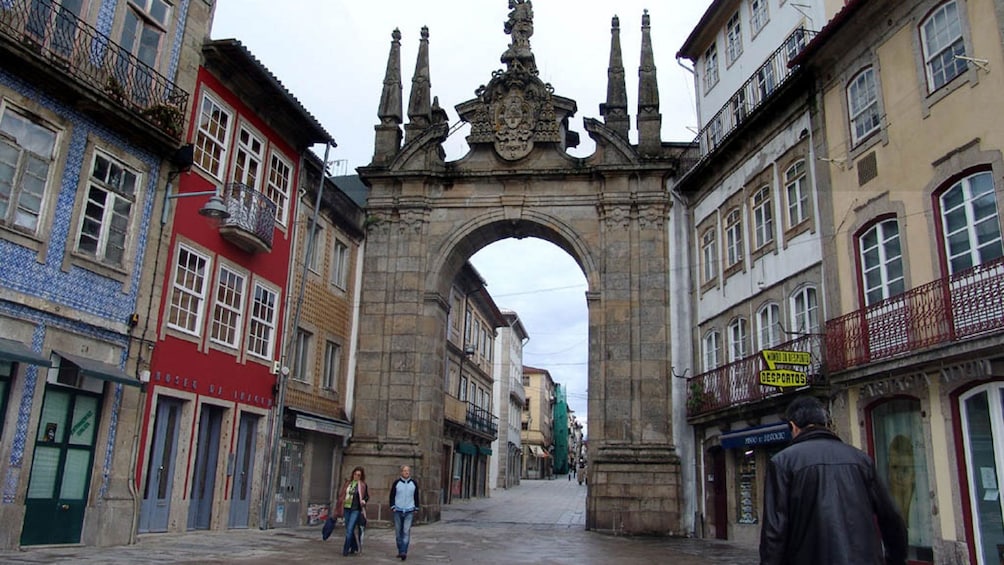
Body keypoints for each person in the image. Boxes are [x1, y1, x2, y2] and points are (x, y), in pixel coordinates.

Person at [759, 396, 908, 565]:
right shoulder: (861, 460)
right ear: (826, 424)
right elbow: (891, 517)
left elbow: (774, 532)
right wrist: (896, 559)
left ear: (793, 426)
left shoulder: (782, 463)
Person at [335, 466, 369, 556]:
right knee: (348, 528)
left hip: (355, 509)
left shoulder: (362, 485)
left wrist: (364, 501)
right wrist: (341, 502)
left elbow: (366, 496)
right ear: (353, 474)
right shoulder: (348, 483)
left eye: (359, 475)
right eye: (355, 474)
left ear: (361, 476)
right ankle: (354, 546)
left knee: (350, 529)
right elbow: (342, 494)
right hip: (346, 507)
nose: (356, 476)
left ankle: (345, 549)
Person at [389, 465, 420, 561]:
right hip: (398, 510)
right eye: (404, 471)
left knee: (406, 531)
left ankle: (403, 552)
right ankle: (400, 549)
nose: (406, 472)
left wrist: (416, 507)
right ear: (401, 472)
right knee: (398, 533)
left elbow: (416, 496)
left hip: (409, 510)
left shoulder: (413, 483)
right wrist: (392, 506)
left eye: (408, 471)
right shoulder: (396, 483)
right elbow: (392, 495)